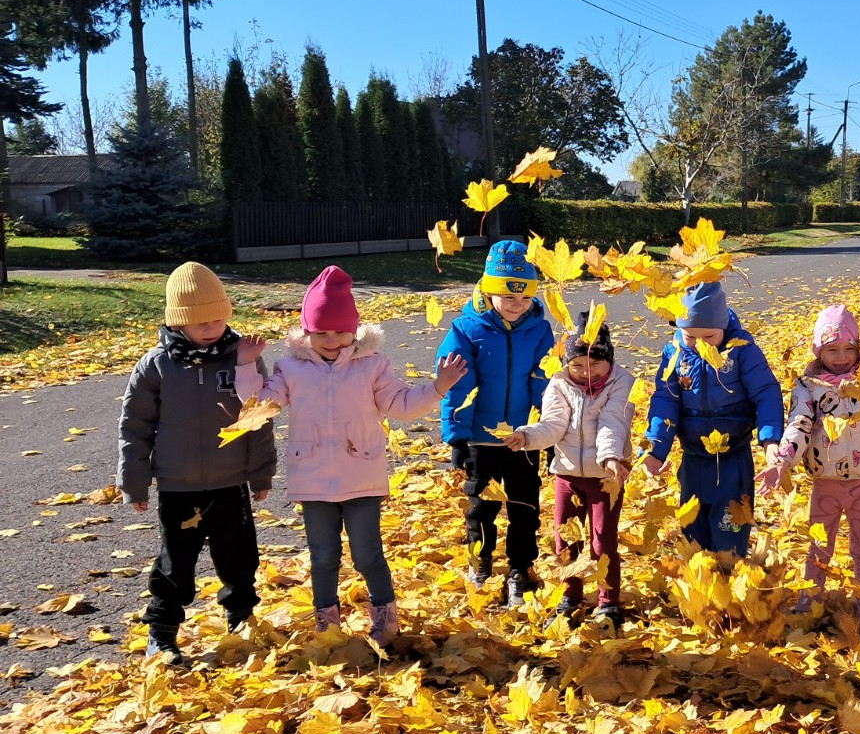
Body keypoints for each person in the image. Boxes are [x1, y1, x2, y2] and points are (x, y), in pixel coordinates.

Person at [236, 266, 466, 648]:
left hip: (361, 477)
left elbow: (401, 404)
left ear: (354, 330)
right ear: (306, 332)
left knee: (367, 554)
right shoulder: (290, 368)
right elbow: (260, 406)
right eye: (321, 332)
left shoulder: (372, 365)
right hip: (313, 480)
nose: (331, 340)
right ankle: (327, 621)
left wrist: (438, 387)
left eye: (340, 331)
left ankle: (385, 614)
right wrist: (246, 365)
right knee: (323, 556)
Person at [117, 262, 276, 665]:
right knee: (175, 565)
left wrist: (260, 473)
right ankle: (161, 633)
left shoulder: (242, 358)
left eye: (218, 319)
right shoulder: (156, 365)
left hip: (230, 482)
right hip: (178, 485)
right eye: (200, 321)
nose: (211, 327)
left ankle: (241, 623)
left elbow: (258, 418)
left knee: (239, 559)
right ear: (178, 321)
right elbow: (135, 426)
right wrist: (134, 481)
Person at [436, 240, 556, 607]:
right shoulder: (465, 330)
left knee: (525, 508)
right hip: (480, 439)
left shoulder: (539, 330)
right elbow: (457, 386)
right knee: (481, 509)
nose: (518, 305)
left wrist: (549, 432)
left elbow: (543, 382)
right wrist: (457, 437)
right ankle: (482, 563)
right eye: (508, 297)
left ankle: (520, 569)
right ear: (489, 292)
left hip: (522, 437)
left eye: (525, 298)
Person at [757, 305, 860, 637]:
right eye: (832, 350)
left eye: (848, 348)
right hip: (826, 482)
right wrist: (782, 461)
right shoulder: (808, 386)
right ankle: (809, 602)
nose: (842, 357)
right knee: (819, 546)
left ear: (858, 348)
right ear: (819, 350)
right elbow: (799, 424)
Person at [504, 314, 635, 626]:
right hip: (567, 474)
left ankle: (608, 602)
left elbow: (613, 422)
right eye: (577, 365)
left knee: (603, 541)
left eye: (595, 364)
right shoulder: (560, 383)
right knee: (566, 540)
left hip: (606, 476)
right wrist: (527, 436)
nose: (586, 372)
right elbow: (553, 424)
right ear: (567, 363)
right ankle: (570, 596)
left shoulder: (622, 383)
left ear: (609, 360)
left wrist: (610, 458)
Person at [642, 281, 784, 557]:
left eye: (708, 336)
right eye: (690, 337)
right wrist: (656, 448)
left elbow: (766, 392)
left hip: (733, 454)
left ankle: (729, 572)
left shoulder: (741, 350)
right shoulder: (675, 354)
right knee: (693, 527)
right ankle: (699, 575)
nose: (699, 345)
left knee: (730, 526)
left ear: (722, 326)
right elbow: (665, 400)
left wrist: (770, 440)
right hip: (694, 455)